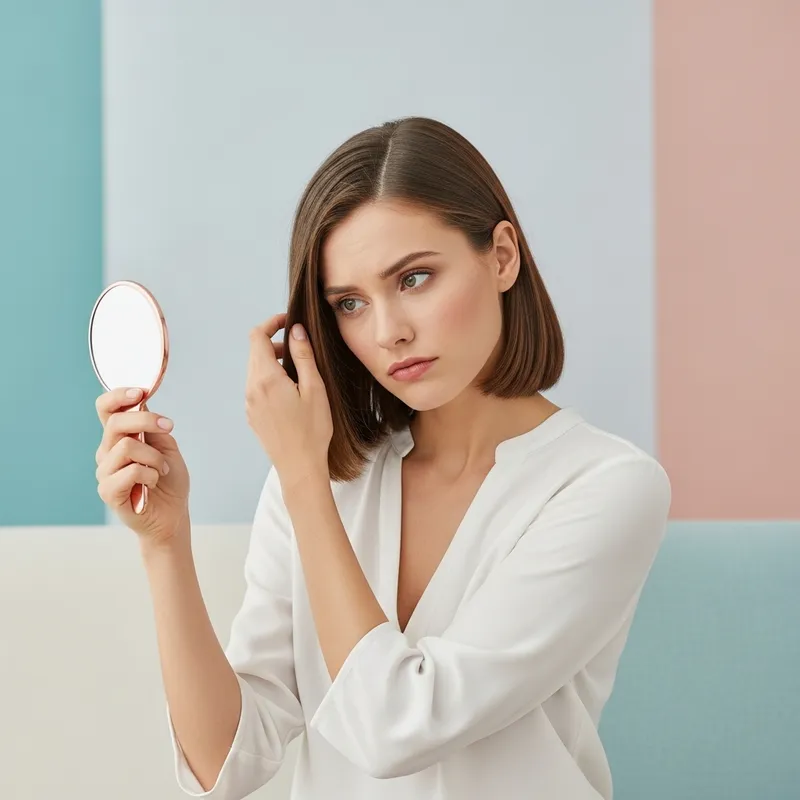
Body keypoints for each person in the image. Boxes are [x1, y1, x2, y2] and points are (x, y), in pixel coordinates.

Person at [94, 116, 671, 799]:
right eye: (349, 303)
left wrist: (304, 479)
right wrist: (164, 543)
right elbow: (228, 760)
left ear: (502, 257)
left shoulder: (606, 488)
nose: (388, 331)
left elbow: (396, 728)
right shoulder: (322, 479)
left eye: (415, 278)